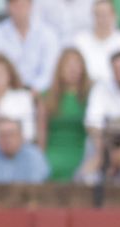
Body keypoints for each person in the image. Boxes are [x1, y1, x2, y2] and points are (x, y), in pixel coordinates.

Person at [0, 0, 59, 91]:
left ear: (31, 5)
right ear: (8, 7)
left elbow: (50, 71)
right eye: (15, 5)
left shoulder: (48, 34)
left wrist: (33, 90)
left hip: (40, 93)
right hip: (4, 93)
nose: (19, 10)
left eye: (23, 5)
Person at [37, 45, 88, 179]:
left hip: (80, 152)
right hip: (52, 153)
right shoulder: (46, 97)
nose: (73, 69)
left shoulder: (89, 97)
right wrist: (40, 160)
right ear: (60, 69)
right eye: (68, 65)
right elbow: (42, 133)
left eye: (77, 64)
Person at [0, 113, 49, 177]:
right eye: (2, 135)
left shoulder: (34, 156)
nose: (7, 140)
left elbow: (38, 184)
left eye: (11, 134)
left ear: (21, 137)